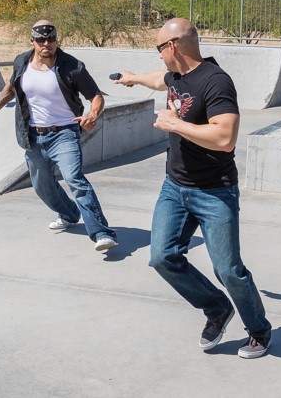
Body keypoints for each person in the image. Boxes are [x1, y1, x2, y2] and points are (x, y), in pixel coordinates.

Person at [113, 18, 272, 358]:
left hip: (215, 191)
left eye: (159, 48)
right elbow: (159, 79)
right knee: (162, 257)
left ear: (172, 46)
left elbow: (225, 138)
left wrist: (175, 124)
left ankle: (259, 329)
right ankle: (217, 308)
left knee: (228, 270)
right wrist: (134, 78)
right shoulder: (176, 77)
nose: (158, 56)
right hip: (174, 188)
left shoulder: (216, 81)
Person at [0, 20, 118, 252]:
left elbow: (96, 96)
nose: (46, 44)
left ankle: (102, 233)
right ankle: (69, 213)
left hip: (65, 133)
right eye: (41, 40)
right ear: (32, 41)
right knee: (41, 185)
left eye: (51, 39)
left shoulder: (72, 66)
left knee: (74, 179)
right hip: (33, 135)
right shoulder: (22, 61)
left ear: (56, 40)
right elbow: (11, 88)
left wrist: (93, 115)